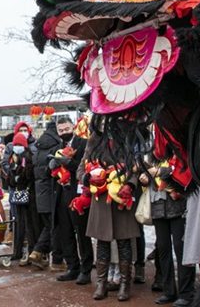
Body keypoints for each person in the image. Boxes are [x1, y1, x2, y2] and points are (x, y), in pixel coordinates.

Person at [77, 118, 141, 302]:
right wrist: (88, 178)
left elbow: (135, 168)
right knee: (102, 243)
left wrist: (130, 184)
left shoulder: (127, 138)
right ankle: (101, 283)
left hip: (121, 197)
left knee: (124, 243)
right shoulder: (93, 141)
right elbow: (81, 169)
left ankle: (124, 284)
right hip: (101, 198)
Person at [47, 116, 93, 284]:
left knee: (82, 233)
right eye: (61, 131)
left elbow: (85, 166)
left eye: (67, 129)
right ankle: (72, 266)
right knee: (65, 233)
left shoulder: (83, 143)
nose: (64, 133)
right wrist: (52, 166)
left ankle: (86, 269)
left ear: (73, 127)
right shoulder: (57, 147)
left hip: (78, 194)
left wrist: (70, 163)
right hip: (62, 194)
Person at [144, 164, 195, 307]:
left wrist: (161, 171)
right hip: (158, 207)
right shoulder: (152, 153)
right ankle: (169, 291)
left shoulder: (176, 150)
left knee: (182, 249)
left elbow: (184, 170)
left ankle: (186, 292)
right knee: (163, 249)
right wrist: (145, 176)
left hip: (178, 206)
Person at [28, 121, 62, 270]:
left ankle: (37, 252)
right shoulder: (56, 148)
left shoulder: (37, 150)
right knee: (54, 227)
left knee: (49, 226)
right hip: (52, 193)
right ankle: (53, 258)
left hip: (39, 194)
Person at [5, 132, 37, 264]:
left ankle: (30, 252)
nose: (17, 147)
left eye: (19, 144)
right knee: (18, 224)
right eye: (15, 144)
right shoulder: (13, 158)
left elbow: (30, 175)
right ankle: (17, 251)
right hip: (19, 195)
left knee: (29, 225)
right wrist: (13, 176)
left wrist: (19, 174)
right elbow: (9, 180)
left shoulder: (28, 157)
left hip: (28, 196)